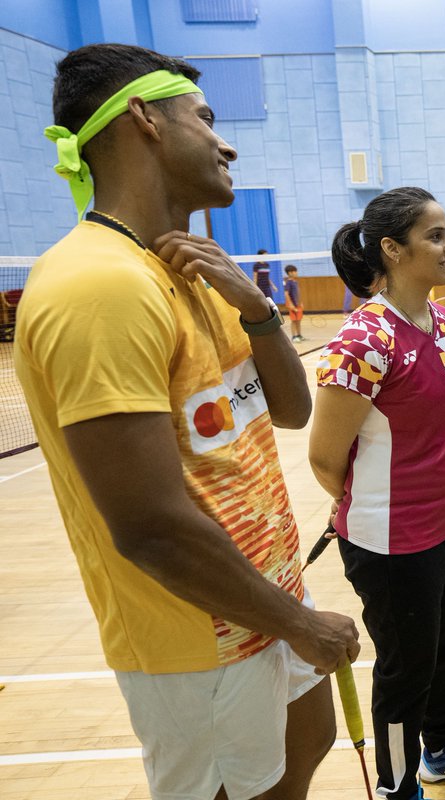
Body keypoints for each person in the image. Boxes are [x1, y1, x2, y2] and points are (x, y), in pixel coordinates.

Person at [18, 43, 360, 799]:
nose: (226, 141)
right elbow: (151, 528)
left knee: (304, 749)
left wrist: (261, 311)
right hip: (196, 640)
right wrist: (298, 623)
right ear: (143, 119)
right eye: (205, 119)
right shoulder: (98, 286)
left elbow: (294, 412)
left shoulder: (196, 271)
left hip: (269, 600)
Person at [310, 187, 445, 800]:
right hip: (390, 543)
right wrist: (373, 511)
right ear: (392, 250)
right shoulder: (364, 339)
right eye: (436, 236)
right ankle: (396, 787)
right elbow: (323, 456)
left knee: (440, 645)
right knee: (403, 671)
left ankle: (442, 748)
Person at [283, 263, 304, 342]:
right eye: (295, 271)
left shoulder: (295, 282)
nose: (296, 273)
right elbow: (286, 294)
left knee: (298, 320)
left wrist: (300, 302)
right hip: (292, 306)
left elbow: (297, 293)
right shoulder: (288, 282)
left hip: (297, 305)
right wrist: (291, 305)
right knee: (294, 321)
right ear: (290, 273)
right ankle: (294, 336)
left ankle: (299, 335)